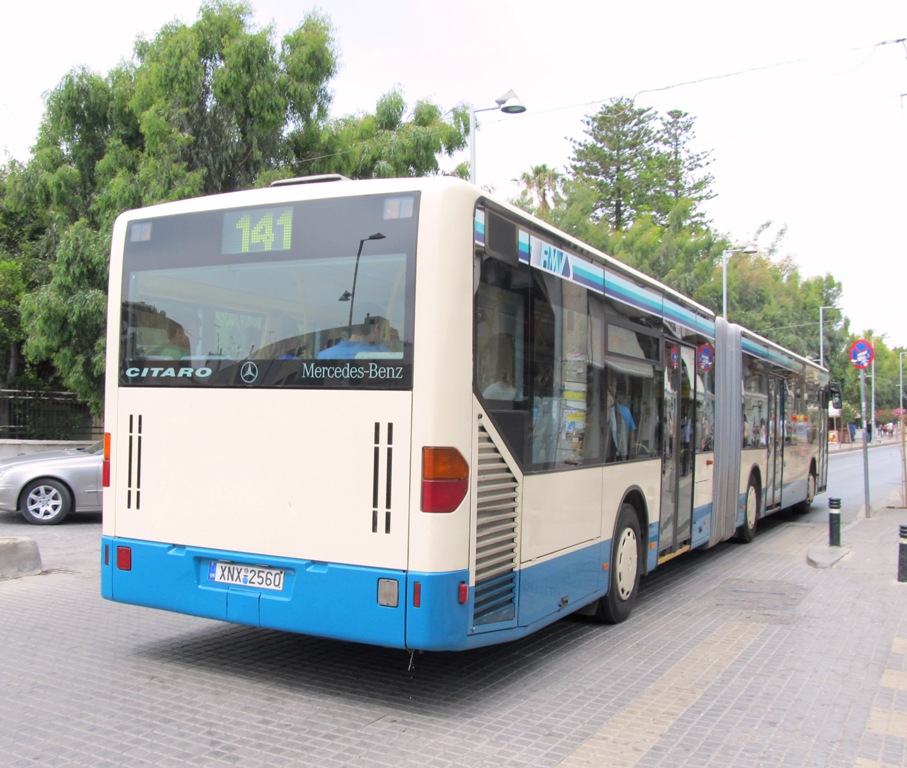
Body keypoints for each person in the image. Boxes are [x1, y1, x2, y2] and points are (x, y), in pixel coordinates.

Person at [317, 315, 390, 359]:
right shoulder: (383, 355)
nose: (383, 337)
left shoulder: (324, 355)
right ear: (377, 328)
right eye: (383, 332)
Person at [607, 381, 636, 460]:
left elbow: (631, 432)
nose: (612, 389)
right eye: (610, 386)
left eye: (614, 386)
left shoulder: (624, 411)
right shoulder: (600, 411)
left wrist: (630, 456)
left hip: (619, 456)